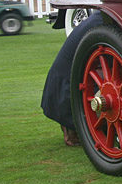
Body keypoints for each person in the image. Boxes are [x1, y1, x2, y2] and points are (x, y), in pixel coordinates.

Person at [42, 11, 103, 145]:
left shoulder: (100, 18)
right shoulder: (103, 22)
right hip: (67, 90)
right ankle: (71, 126)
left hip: (61, 87)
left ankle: (71, 126)